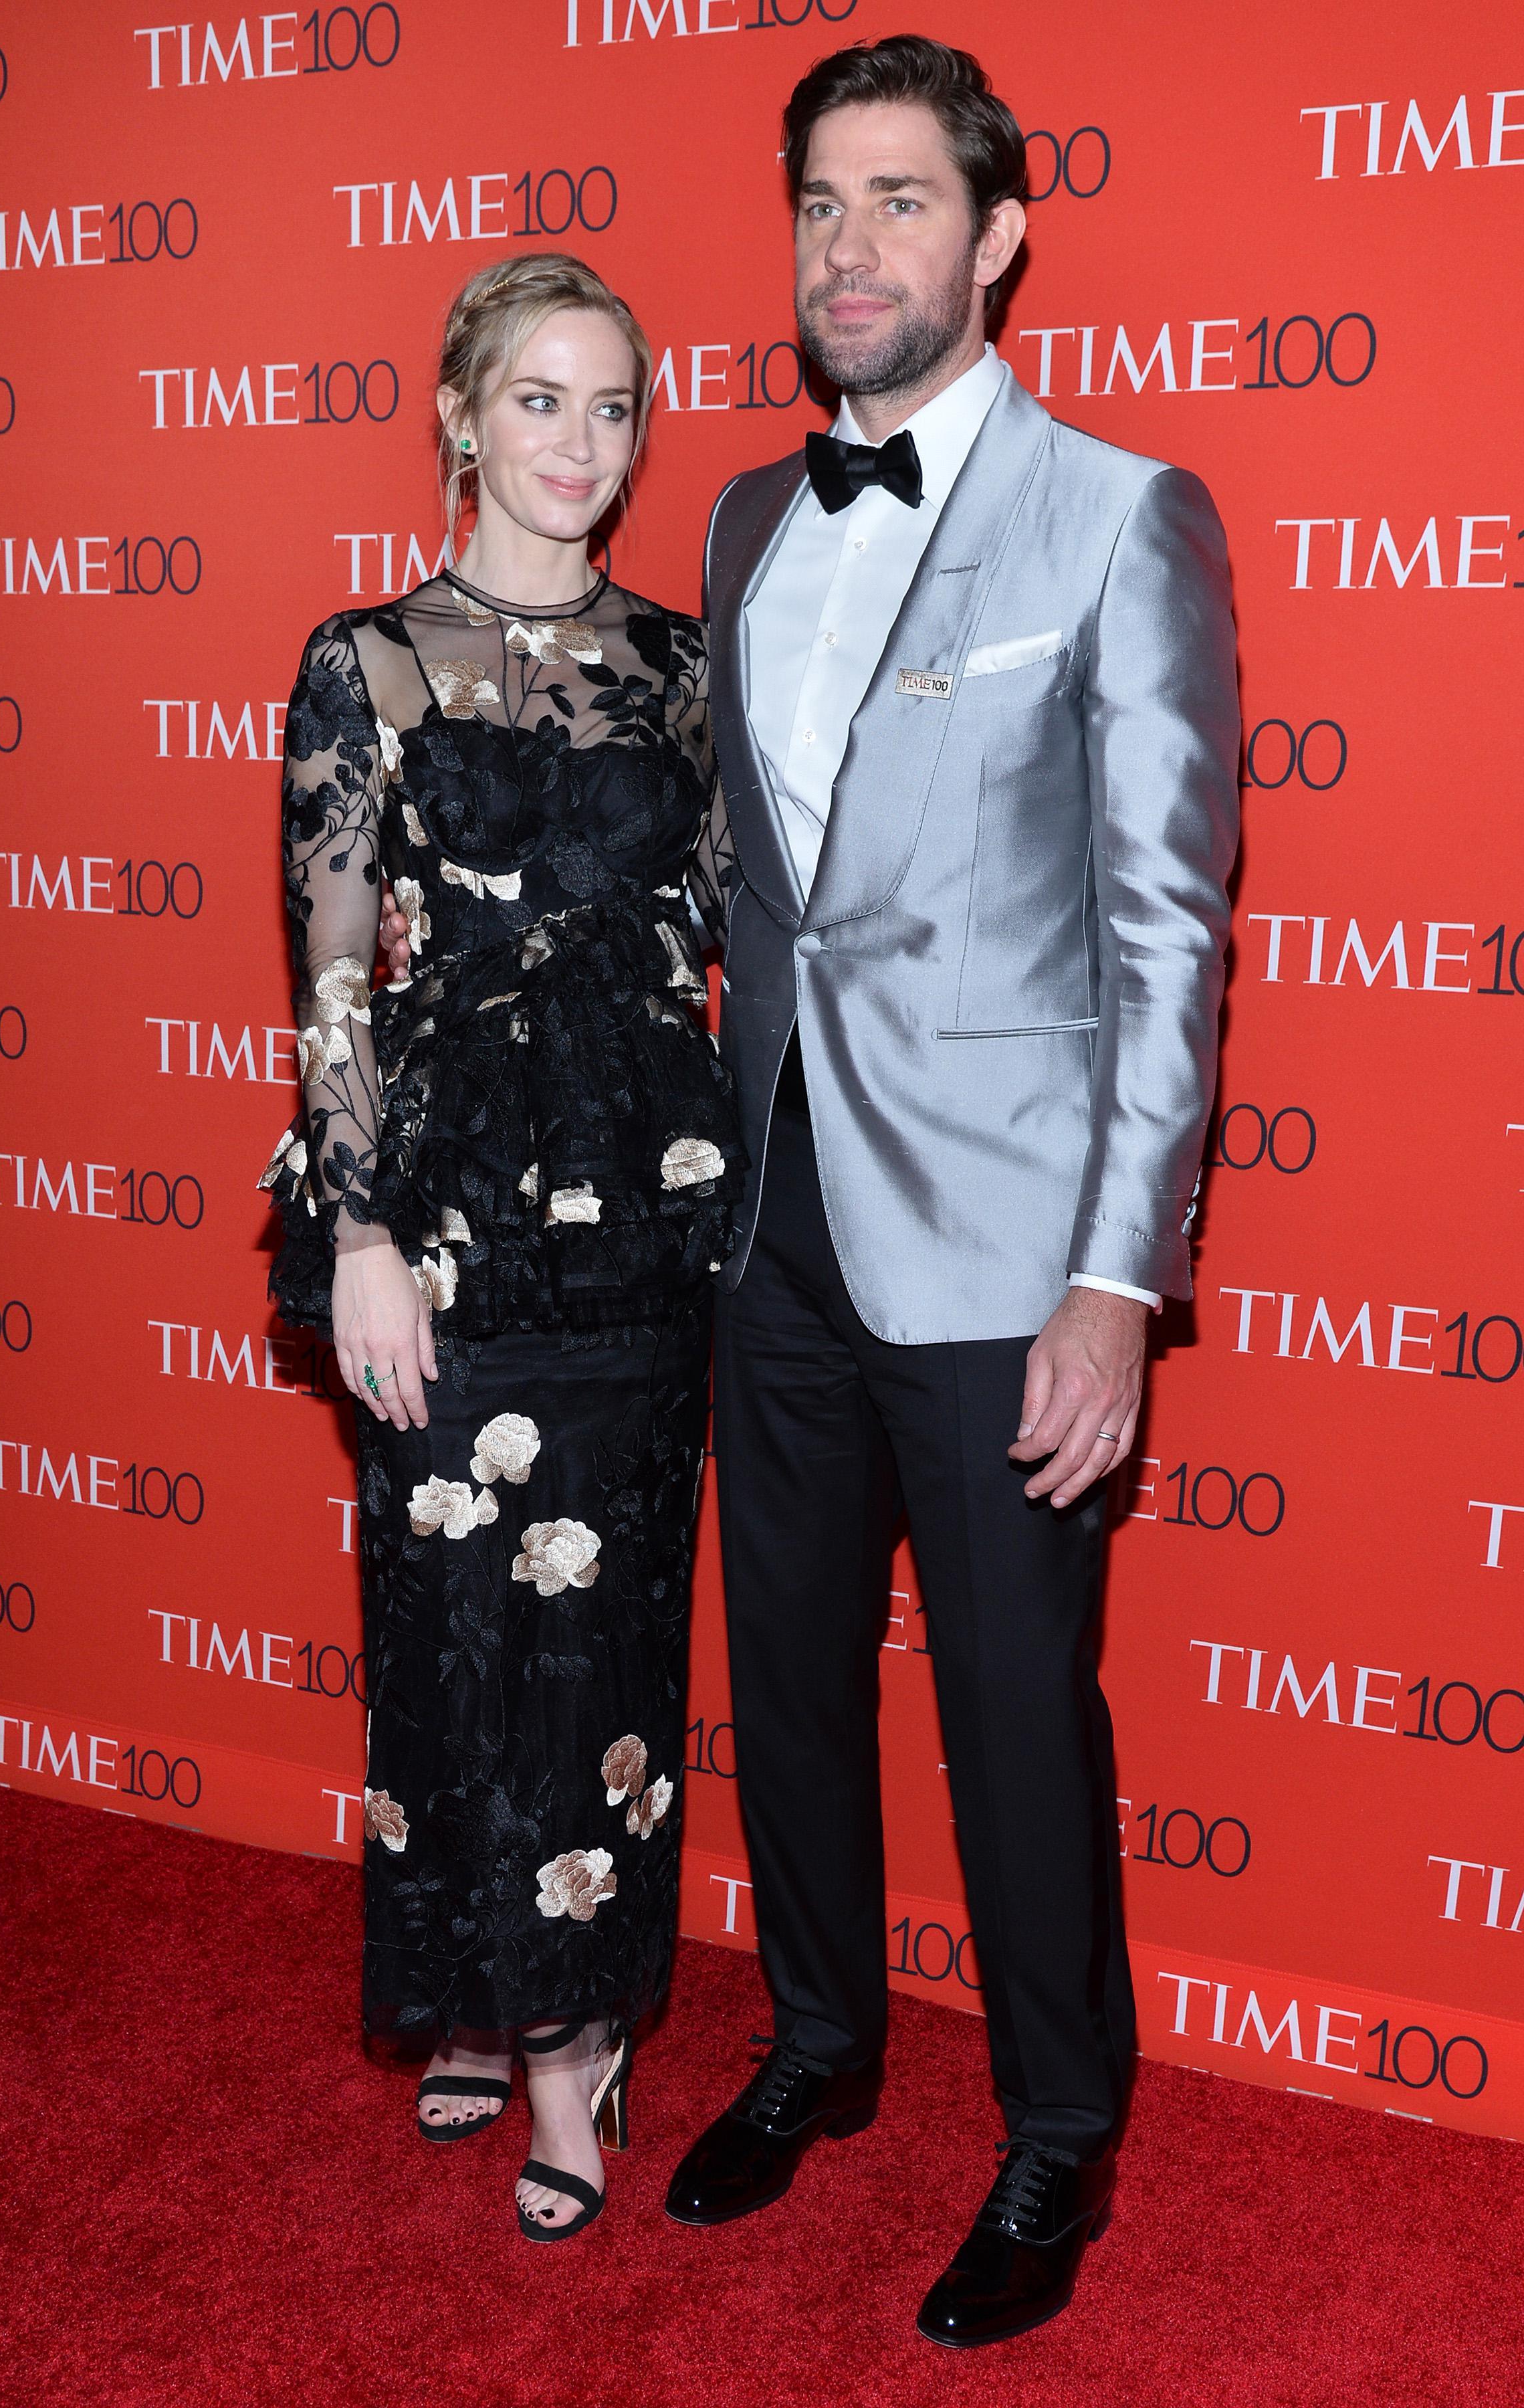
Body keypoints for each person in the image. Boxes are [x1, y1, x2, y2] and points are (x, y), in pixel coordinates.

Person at [665, 34, 1237, 2348]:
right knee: (787, 1679)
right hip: (778, 1211)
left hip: (1008, 1243)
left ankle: (1061, 2133)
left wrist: (1117, 1279)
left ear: (997, 236)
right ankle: (820, 2041)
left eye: (899, 199)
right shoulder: (741, 521)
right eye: (821, 201)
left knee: (1013, 1706)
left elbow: (1167, 933)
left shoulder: (1120, 513)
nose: (850, 246)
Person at [263, 252, 740, 2243]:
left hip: (641, 1208)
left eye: (613, 405)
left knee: (601, 1633)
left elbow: (737, 933)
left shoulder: (685, 666)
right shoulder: (366, 661)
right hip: (446, 1214)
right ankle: (485, 1974)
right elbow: (333, 982)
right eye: (539, 398)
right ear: (462, 415)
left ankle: (572, 2042)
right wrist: (361, 1231)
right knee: (450, 1630)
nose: (579, 441)